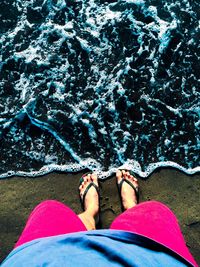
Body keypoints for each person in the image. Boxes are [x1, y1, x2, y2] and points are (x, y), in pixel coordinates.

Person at [1, 170, 198, 266]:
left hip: (42, 257)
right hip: (149, 260)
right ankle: (131, 207)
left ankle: (90, 213)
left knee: (49, 211)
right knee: (154, 213)